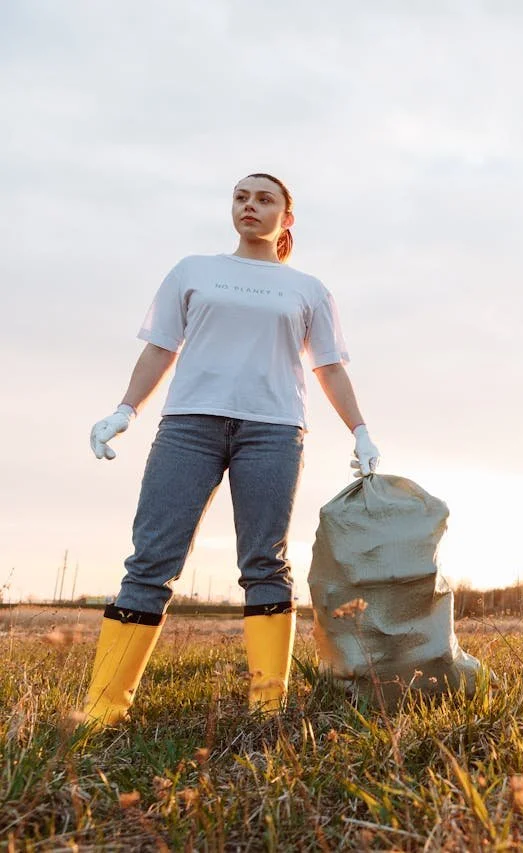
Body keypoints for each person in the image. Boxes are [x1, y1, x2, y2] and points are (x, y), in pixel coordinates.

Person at [82, 173, 382, 728]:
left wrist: (360, 430)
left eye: (264, 199)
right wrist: (124, 411)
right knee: (151, 560)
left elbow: (330, 367)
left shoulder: (308, 289)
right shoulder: (193, 270)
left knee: (266, 562)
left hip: (273, 431)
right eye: (241, 197)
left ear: (286, 218)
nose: (250, 206)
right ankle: (103, 709)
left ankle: (268, 707)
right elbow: (159, 350)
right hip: (188, 427)